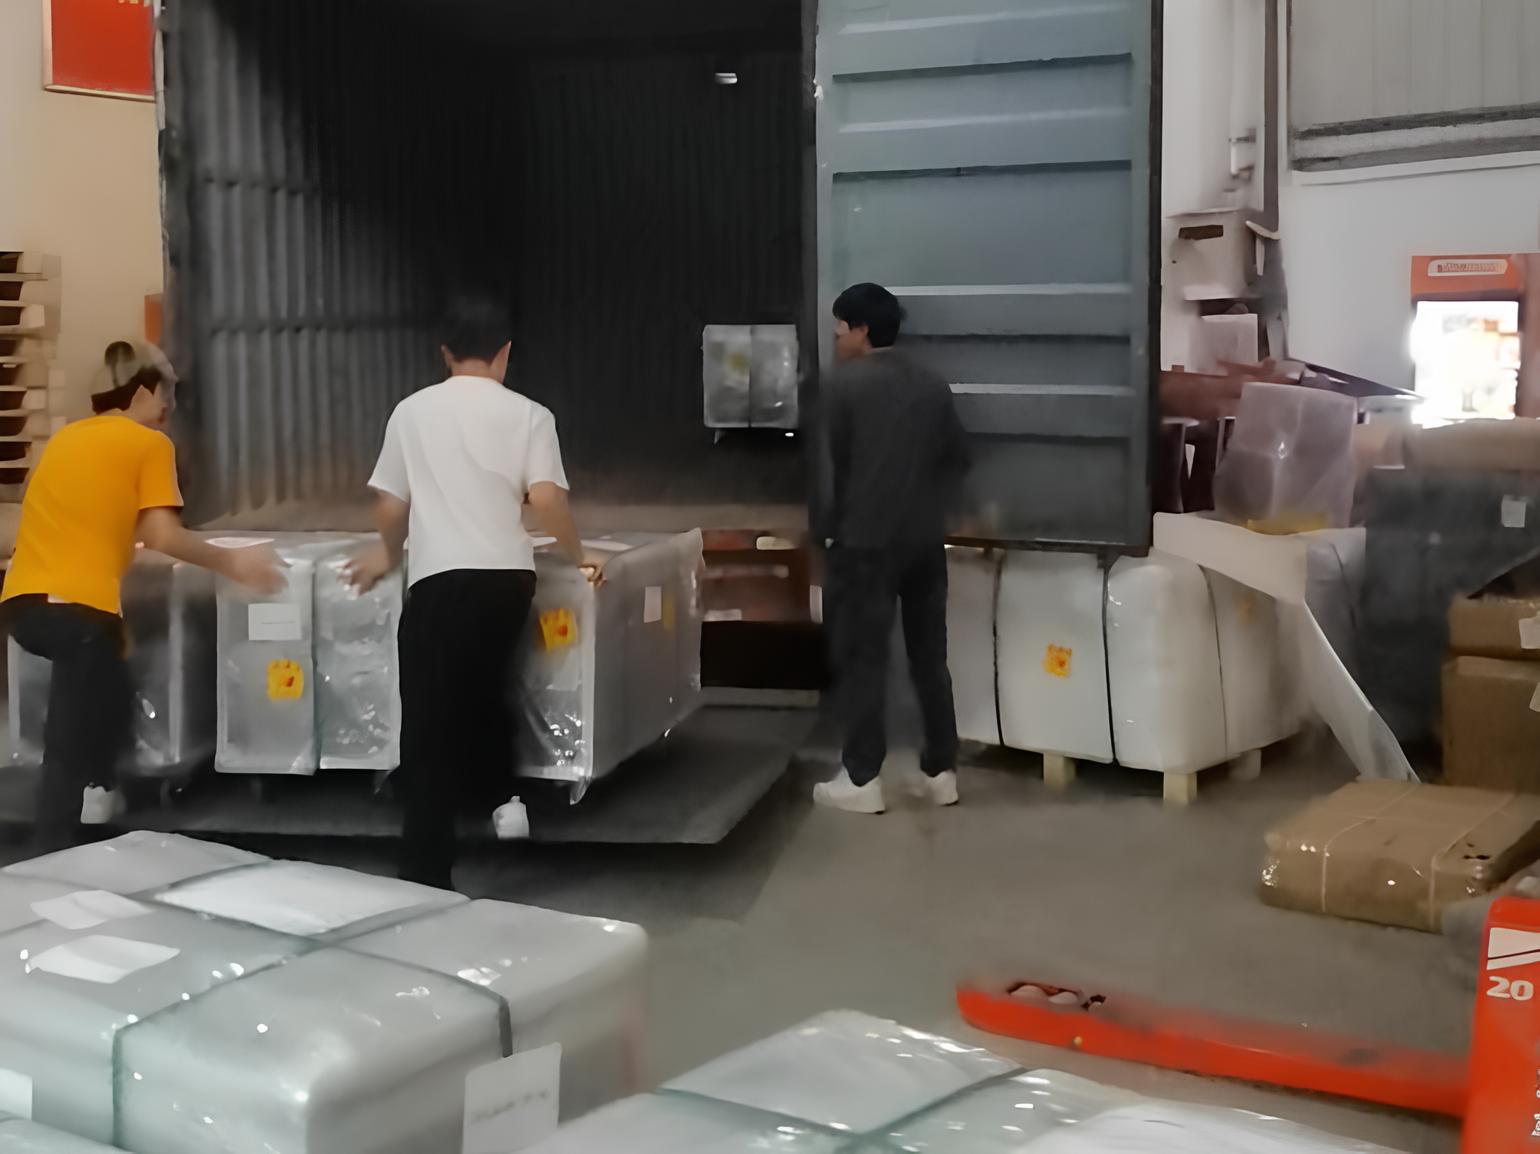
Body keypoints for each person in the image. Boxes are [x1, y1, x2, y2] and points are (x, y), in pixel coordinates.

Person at [346, 293, 594, 890]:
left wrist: (387, 553)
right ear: (505, 353)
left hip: (440, 579)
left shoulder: (410, 413)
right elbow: (548, 499)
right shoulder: (532, 415)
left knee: (429, 723)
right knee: (485, 684)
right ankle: (505, 802)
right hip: (509, 580)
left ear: (445, 353)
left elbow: (390, 503)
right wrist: (580, 557)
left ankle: (426, 871)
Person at [1, 342, 285, 850]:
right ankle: (48, 857)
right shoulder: (148, 444)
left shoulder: (66, 440)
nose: (170, 409)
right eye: (167, 396)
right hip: (79, 610)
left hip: (22, 604)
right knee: (68, 736)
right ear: (146, 392)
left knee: (108, 686)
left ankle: (100, 788)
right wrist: (231, 561)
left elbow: (85, 520)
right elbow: (164, 536)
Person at [813, 283, 971, 815]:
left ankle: (862, 780)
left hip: (864, 544)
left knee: (864, 658)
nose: (835, 339)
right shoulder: (932, 384)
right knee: (929, 656)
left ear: (861, 329)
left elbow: (827, 471)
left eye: (839, 328)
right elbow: (957, 459)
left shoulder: (843, 387)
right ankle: (941, 771)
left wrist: (824, 533)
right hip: (925, 541)